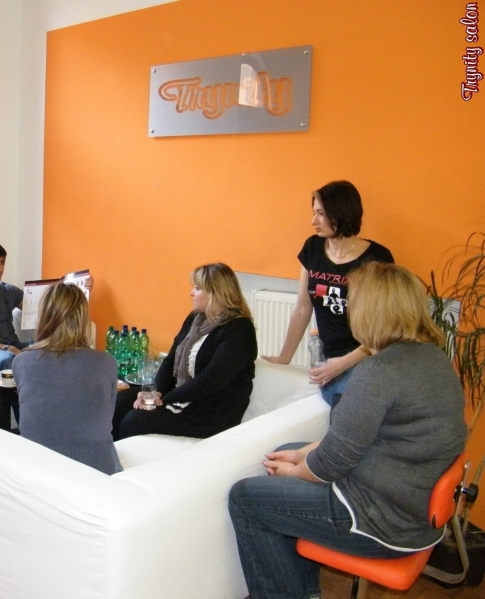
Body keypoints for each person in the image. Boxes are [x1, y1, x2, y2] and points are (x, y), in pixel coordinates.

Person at [229, 262, 467, 599]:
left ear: (370, 311)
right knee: (287, 450)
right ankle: (305, 592)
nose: (348, 310)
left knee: (246, 498)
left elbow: (330, 465)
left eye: (353, 303)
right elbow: (352, 438)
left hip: (380, 523)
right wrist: (300, 454)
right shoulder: (432, 357)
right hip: (406, 502)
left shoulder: (380, 371)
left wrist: (295, 471)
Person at [263, 180, 394, 406]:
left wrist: (343, 363)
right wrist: (284, 358)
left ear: (342, 213)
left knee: (342, 407)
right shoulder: (313, 248)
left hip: (363, 359)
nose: (313, 221)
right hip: (327, 357)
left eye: (321, 214)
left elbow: (381, 328)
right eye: (314, 212)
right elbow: (302, 308)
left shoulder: (377, 258)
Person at [113, 263, 257, 440]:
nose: (191, 293)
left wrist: (164, 399)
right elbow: (171, 359)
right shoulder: (196, 318)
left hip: (211, 411)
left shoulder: (239, 329)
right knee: (120, 401)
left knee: (135, 420)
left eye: (197, 288)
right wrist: (156, 392)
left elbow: (211, 380)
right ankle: (104, 455)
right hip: (181, 395)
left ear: (215, 293)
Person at [12, 282, 122, 475]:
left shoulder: (21, 362)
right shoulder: (106, 363)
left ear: (43, 316)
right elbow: (106, 416)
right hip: (96, 471)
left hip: (35, 469)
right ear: (83, 319)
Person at [0, 241, 93, 374]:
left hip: (14, 345)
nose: (0, 268)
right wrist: (7, 348)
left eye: (2, 262)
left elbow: (47, 307)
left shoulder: (8, 291)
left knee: (52, 348)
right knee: (8, 359)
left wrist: (80, 288)